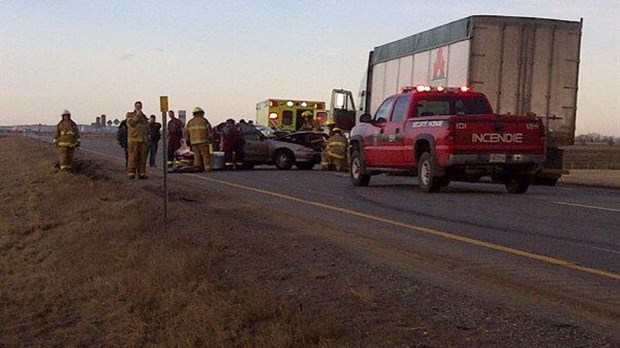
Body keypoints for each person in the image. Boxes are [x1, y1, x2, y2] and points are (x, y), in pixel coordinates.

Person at [126, 101, 149, 179]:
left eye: (139, 106)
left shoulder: (144, 117)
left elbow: (146, 126)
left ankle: (142, 173)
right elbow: (131, 123)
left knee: (142, 158)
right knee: (133, 157)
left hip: (143, 140)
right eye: (137, 106)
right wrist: (137, 116)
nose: (138, 107)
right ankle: (131, 172)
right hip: (134, 139)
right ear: (134, 107)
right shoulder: (130, 115)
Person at [185, 106, 213, 172]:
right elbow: (209, 131)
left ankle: (197, 167)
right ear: (200, 113)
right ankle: (207, 168)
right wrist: (211, 139)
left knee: (196, 155)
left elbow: (186, 133)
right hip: (203, 140)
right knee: (205, 154)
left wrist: (187, 141)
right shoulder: (204, 121)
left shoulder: (190, 122)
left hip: (193, 142)